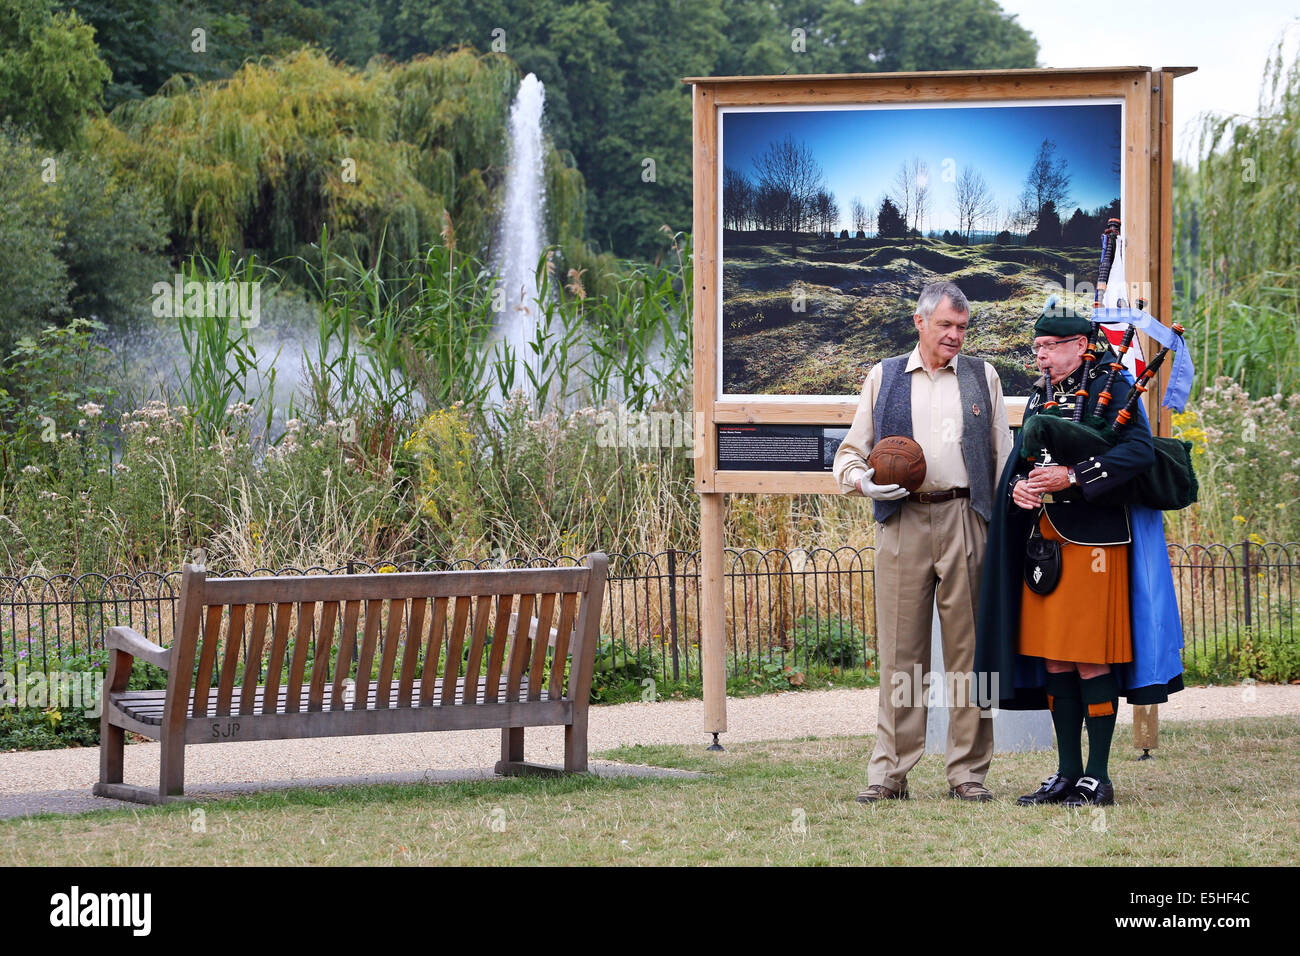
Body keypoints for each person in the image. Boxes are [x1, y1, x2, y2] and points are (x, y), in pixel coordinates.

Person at [973, 304, 1185, 807]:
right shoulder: (1042, 394)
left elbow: (1138, 452)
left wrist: (1072, 476)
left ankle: (1098, 777)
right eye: (1037, 347)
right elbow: (1025, 459)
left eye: (1049, 347)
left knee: (1090, 658)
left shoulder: (1115, 385)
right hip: (1044, 542)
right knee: (1055, 658)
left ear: (1080, 345)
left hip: (1096, 544)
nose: (1041, 356)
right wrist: (1019, 487)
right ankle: (1066, 772)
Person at [833, 280, 1013, 803]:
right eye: (945, 325)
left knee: (972, 656)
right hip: (902, 521)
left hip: (967, 518)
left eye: (962, 327)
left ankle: (968, 773)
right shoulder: (884, 375)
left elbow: (1003, 456)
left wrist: (1005, 526)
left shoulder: (983, 375)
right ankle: (889, 774)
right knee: (900, 656)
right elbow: (849, 454)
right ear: (920, 322)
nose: (955, 335)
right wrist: (864, 483)